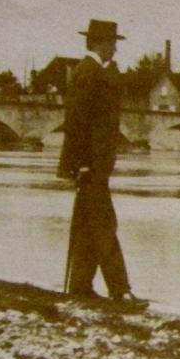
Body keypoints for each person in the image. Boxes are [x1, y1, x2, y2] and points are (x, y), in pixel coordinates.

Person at [58, 18, 144, 308]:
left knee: (87, 226)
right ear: (98, 44)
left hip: (95, 164)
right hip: (91, 165)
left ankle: (80, 287)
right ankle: (121, 290)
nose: (115, 50)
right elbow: (77, 122)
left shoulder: (97, 72)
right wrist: (81, 164)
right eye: (112, 44)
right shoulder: (88, 72)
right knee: (105, 225)